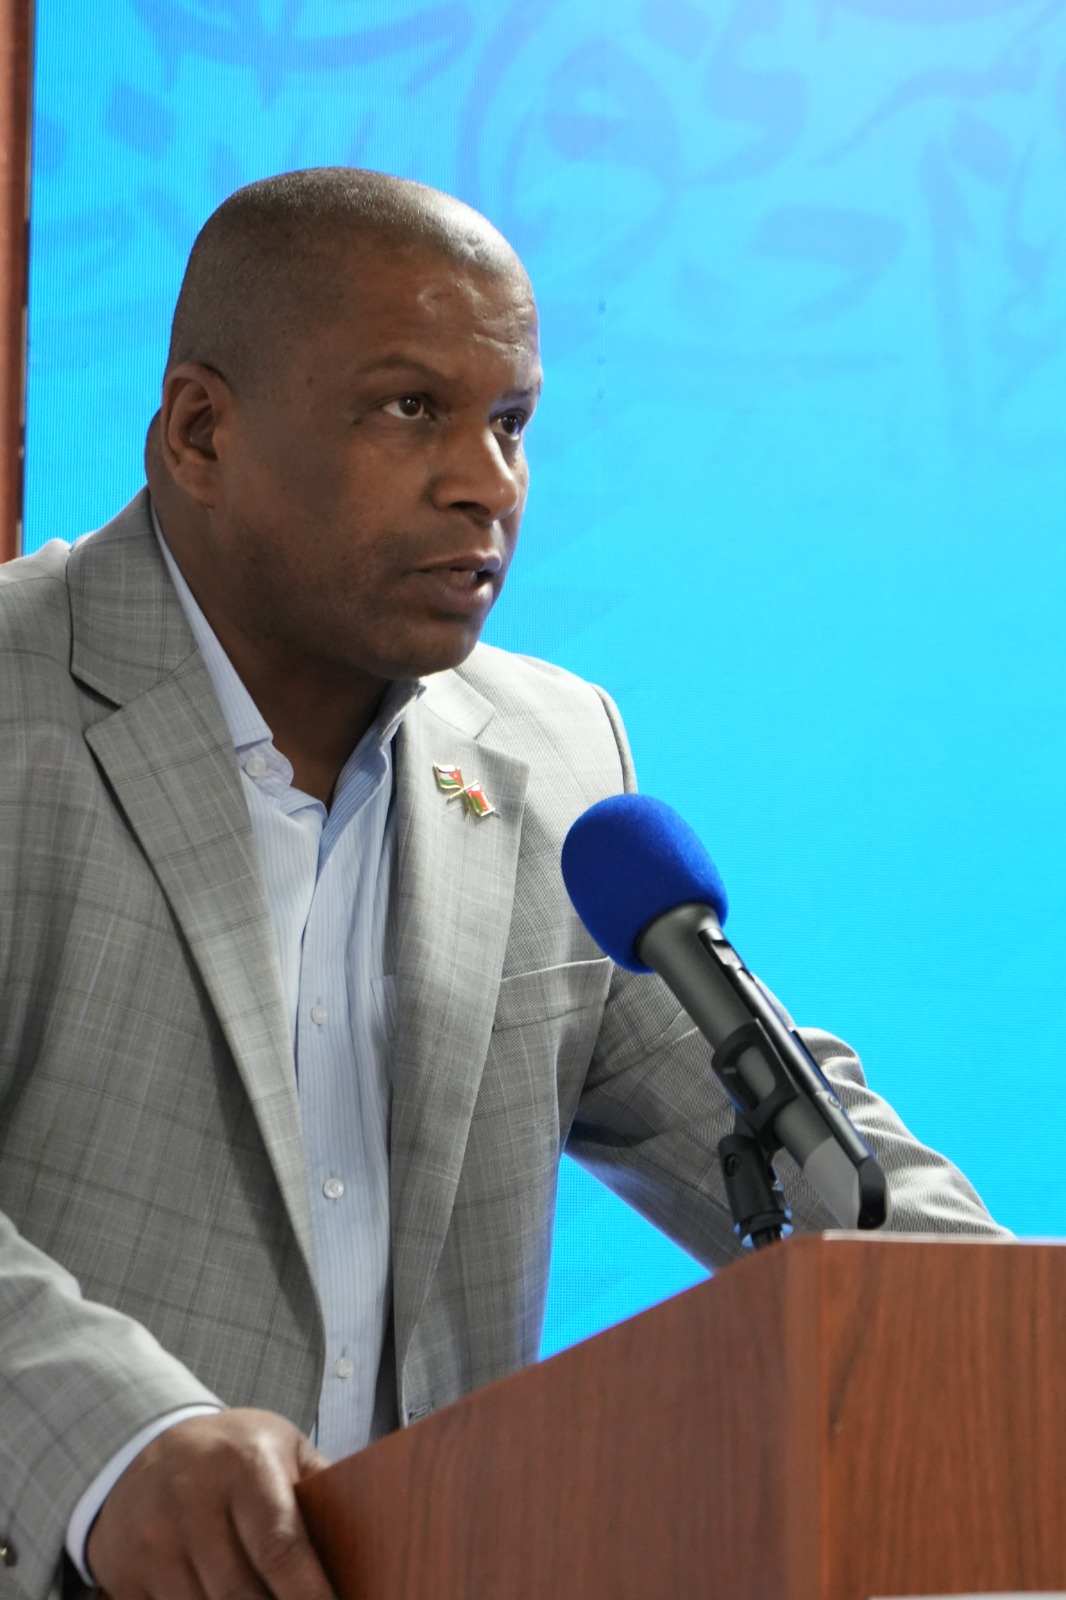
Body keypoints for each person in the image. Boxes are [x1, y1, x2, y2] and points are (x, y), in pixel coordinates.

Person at [0, 168, 1003, 1600]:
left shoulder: (552, 754)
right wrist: (116, 1446)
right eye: (410, 407)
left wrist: (1011, 1341)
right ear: (202, 430)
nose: (488, 482)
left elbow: (780, 1129)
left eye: (511, 422)